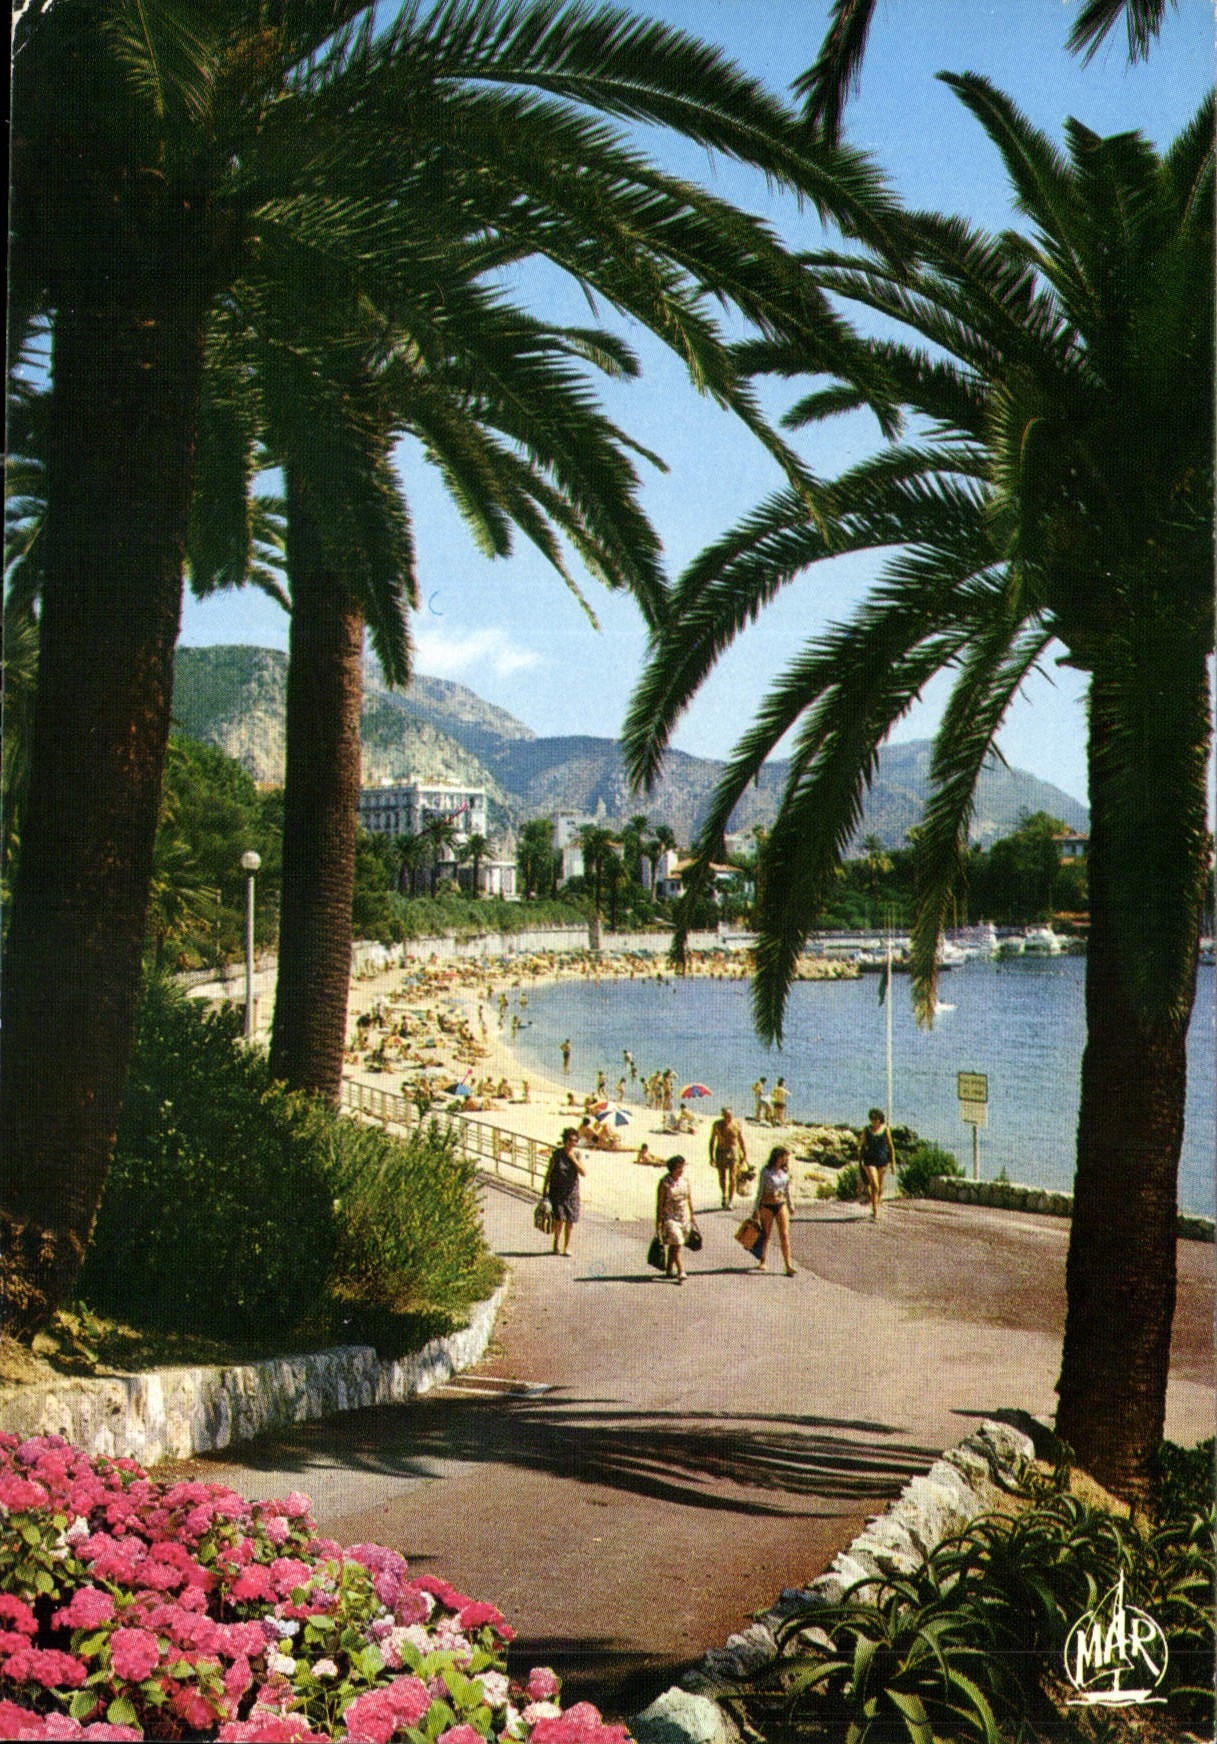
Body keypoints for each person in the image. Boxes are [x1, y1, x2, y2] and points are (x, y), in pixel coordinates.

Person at [752, 1145, 796, 1275]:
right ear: (778, 1156)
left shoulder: (785, 1172)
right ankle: (763, 1260)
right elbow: (760, 1191)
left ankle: (788, 1265)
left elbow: (787, 1190)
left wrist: (790, 1204)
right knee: (766, 1234)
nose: (785, 1159)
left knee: (784, 1235)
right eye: (784, 1156)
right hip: (767, 1204)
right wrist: (756, 1208)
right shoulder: (766, 1171)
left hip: (781, 1203)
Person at [543, 1127, 586, 1256]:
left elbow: (583, 1172)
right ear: (565, 1140)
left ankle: (567, 1247)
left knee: (570, 1221)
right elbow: (549, 1172)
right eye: (570, 1140)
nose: (573, 1142)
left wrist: (572, 1158)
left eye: (575, 1140)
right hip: (557, 1191)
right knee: (559, 1220)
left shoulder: (577, 1155)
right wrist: (544, 1188)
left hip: (571, 1192)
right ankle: (555, 1244)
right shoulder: (557, 1154)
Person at [656, 1154, 698, 1284]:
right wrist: (658, 1222)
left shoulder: (685, 1181)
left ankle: (669, 1269)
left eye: (682, 1167)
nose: (681, 1170)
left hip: (683, 1216)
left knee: (675, 1244)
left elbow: (689, 1199)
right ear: (672, 1169)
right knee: (677, 1242)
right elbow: (660, 1203)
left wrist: (692, 1215)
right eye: (679, 1168)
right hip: (669, 1217)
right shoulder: (664, 1183)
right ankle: (681, 1271)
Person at [858, 1107, 896, 1221]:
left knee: (880, 1185)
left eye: (876, 1119)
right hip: (869, 1160)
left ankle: (876, 1203)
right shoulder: (866, 1130)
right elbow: (861, 1145)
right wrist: (860, 1160)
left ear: (880, 1119)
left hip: (882, 1160)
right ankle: (875, 1211)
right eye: (872, 1119)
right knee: (874, 1185)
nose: (873, 1121)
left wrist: (893, 1163)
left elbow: (890, 1146)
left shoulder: (885, 1130)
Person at [708, 1106, 747, 1209]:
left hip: (733, 1152)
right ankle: (724, 1195)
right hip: (721, 1151)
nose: (727, 1118)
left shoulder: (737, 1124)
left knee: (733, 1177)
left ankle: (730, 1200)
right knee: (722, 1177)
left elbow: (740, 1139)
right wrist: (711, 1157)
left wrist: (744, 1154)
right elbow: (712, 1140)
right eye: (725, 1116)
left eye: (729, 1115)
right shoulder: (717, 1125)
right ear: (722, 1115)